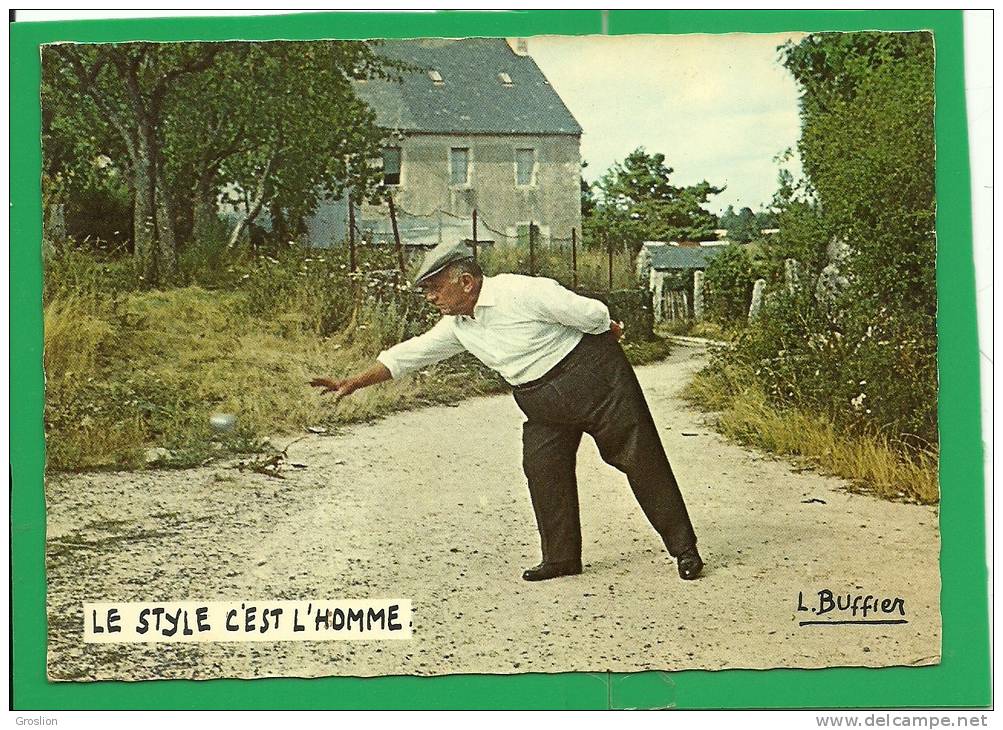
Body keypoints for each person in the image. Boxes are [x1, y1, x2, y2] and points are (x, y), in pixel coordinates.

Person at [310, 240, 703, 582]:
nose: (430, 298)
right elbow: (408, 355)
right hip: (541, 402)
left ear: (465, 281)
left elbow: (592, 314)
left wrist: (606, 329)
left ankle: (684, 548)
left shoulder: (521, 291)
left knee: (639, 458)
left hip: (595, 382)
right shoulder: (459, 325)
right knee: (542, 468)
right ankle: (561, 558)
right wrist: (353, 382)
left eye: (434, 288)